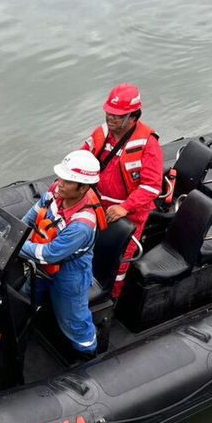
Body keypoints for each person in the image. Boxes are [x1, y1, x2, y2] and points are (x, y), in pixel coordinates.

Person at [20, 150, 106, 360]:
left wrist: (16, 246)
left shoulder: (82, 225)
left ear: (83, 187)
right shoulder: (54, 193)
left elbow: (50, 254)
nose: (60, 183)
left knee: (73, 321)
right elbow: (30, 217)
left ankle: (88, 354)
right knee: (25, 296)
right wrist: (16, 233)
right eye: (61, 177)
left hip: (70, 275)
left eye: (68, 181)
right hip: (41, 266)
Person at [81, 83, 164, 298]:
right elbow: (81, 159)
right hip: (98, 206)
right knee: (86, 251)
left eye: (118, 115)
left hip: (129, 215)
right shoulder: (102, 134)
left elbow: (151, 186)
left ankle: (111, 300)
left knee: (118, 263)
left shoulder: (148, 143)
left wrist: (125, 208)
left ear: (133, 116)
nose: (111, 118)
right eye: (109, 113)